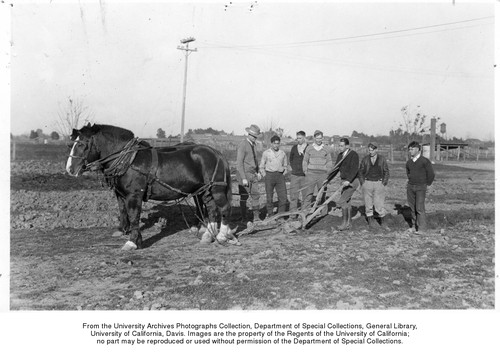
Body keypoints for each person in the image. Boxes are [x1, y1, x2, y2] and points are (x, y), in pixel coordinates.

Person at [359, 142, 390, 231]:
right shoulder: (365, 159)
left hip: (378, 183)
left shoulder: (382, 159)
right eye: (369, 150)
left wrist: (383, 183)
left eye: (372, 150)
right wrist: (363, 183)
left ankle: (384, 223)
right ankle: (371, 223)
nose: (371, 152)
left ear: (376, 150)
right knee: (368, 205)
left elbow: (386, 172)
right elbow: (360, 171)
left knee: (379, 205)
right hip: (367, 183)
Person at [406, 141, 435, 235]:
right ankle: (414, 227)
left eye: (412, 149)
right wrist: (411, 181)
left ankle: (422, 228)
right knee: (412, 207)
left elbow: (431, 174)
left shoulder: (424, 161)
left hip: (421, 187)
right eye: (409, 149)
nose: (410, 151)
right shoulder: (409, 162)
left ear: (418, 149)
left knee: (419, 208)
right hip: (410, 187)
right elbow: (408, 173)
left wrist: (427, 184)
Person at [236, 124, 263, 222]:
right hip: (245, 174)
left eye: (256, 137)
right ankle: (244, 218)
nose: (255, 138)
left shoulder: (254, 145)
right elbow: (239, 163)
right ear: (249, 135)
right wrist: (243, 177)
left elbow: (255, 160)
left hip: (253, 174)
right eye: (254, 136)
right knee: (244, 196)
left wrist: (258, 172)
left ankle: (256, 217)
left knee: (256, 195)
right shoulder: (243, 144)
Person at [302, 130, 333, 215]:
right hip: (311, 174)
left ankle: (323, 213)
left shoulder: (326, 148)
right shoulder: (309, 148)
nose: (318, 140)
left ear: (322, 138)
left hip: (322, 175)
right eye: (317, 138)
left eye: (320, 138)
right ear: (314, 138)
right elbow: (305, 160)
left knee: (322, 194)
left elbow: (329, 161)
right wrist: (305, 171)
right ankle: (305, 212)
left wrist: (328, 172)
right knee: (308, 194)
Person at [259, 135, 288, 218]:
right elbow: (261, 166)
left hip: (279, 176)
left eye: (278, 144)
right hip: (269, 175)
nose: (276, 145)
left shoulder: (282, 153)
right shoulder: (266, 153)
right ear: (271, 144)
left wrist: (284, 172)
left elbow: (285, 165)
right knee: (269, 196)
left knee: (283, 196)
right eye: (274, 144)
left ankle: (281, 215)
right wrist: (265, 175)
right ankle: (270, 215)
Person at [335, 137, 360, 231]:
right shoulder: (340, 155)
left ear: (347, 146)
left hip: (352, 181)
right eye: (339, 146)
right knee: (347, 202)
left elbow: (354, 169)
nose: (340, 147)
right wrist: (328, 179)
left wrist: (348, 181)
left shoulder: (353, 155)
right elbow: (336, 168)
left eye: (341, 146)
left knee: (341, 201)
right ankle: (348, 224)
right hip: (344, 181)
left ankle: (344, 223)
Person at [288, 131, 308, 213]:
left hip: (305, 177)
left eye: (300, 138)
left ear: (304, 138)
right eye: (297, 138)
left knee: (305, 196)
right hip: (295, 176)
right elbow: (291, 159)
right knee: (293, 196)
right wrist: (295, 169)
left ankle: (304, 215)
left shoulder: (309, 148)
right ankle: (292, 215)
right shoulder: (294, 148)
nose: (298, 140)